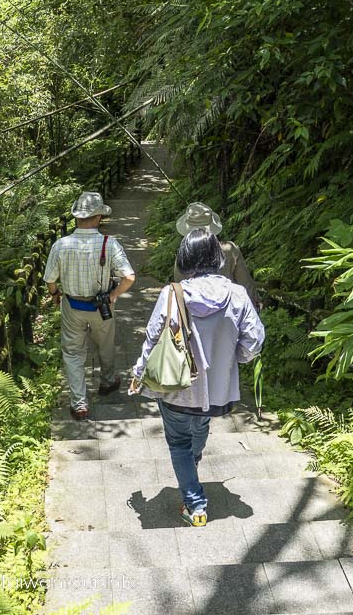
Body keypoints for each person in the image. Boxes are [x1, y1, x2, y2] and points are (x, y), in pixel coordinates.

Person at [131, 229, 265, 527]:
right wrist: (233, 359)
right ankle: (190, 469)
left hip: (176, 387)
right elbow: (254, 341)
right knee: (200, 425)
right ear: (217, 259)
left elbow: (154, 338)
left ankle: (196, 504)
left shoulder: (173, 293)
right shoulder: (237, 294)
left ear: (185, 258)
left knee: (179, 442)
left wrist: (139, 374)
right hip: (216, 391)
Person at [44, 191, 137, 421]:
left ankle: (80, 404)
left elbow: (49, 279)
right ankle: (107, 382)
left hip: (72, 306)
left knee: (74, 353)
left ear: (77, 217)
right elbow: (129, 277)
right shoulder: (109, 244)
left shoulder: (61, 245)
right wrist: (113, 295)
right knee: (105, 345)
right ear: (97, 218)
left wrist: (55, 294)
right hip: (101, 307)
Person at [172, 202, 260, 310]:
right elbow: (246, 284)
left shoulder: (184, 253)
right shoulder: (229, 249)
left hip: (195, 313)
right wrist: (252, 310)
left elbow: (180, 286)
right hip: (228, 311)